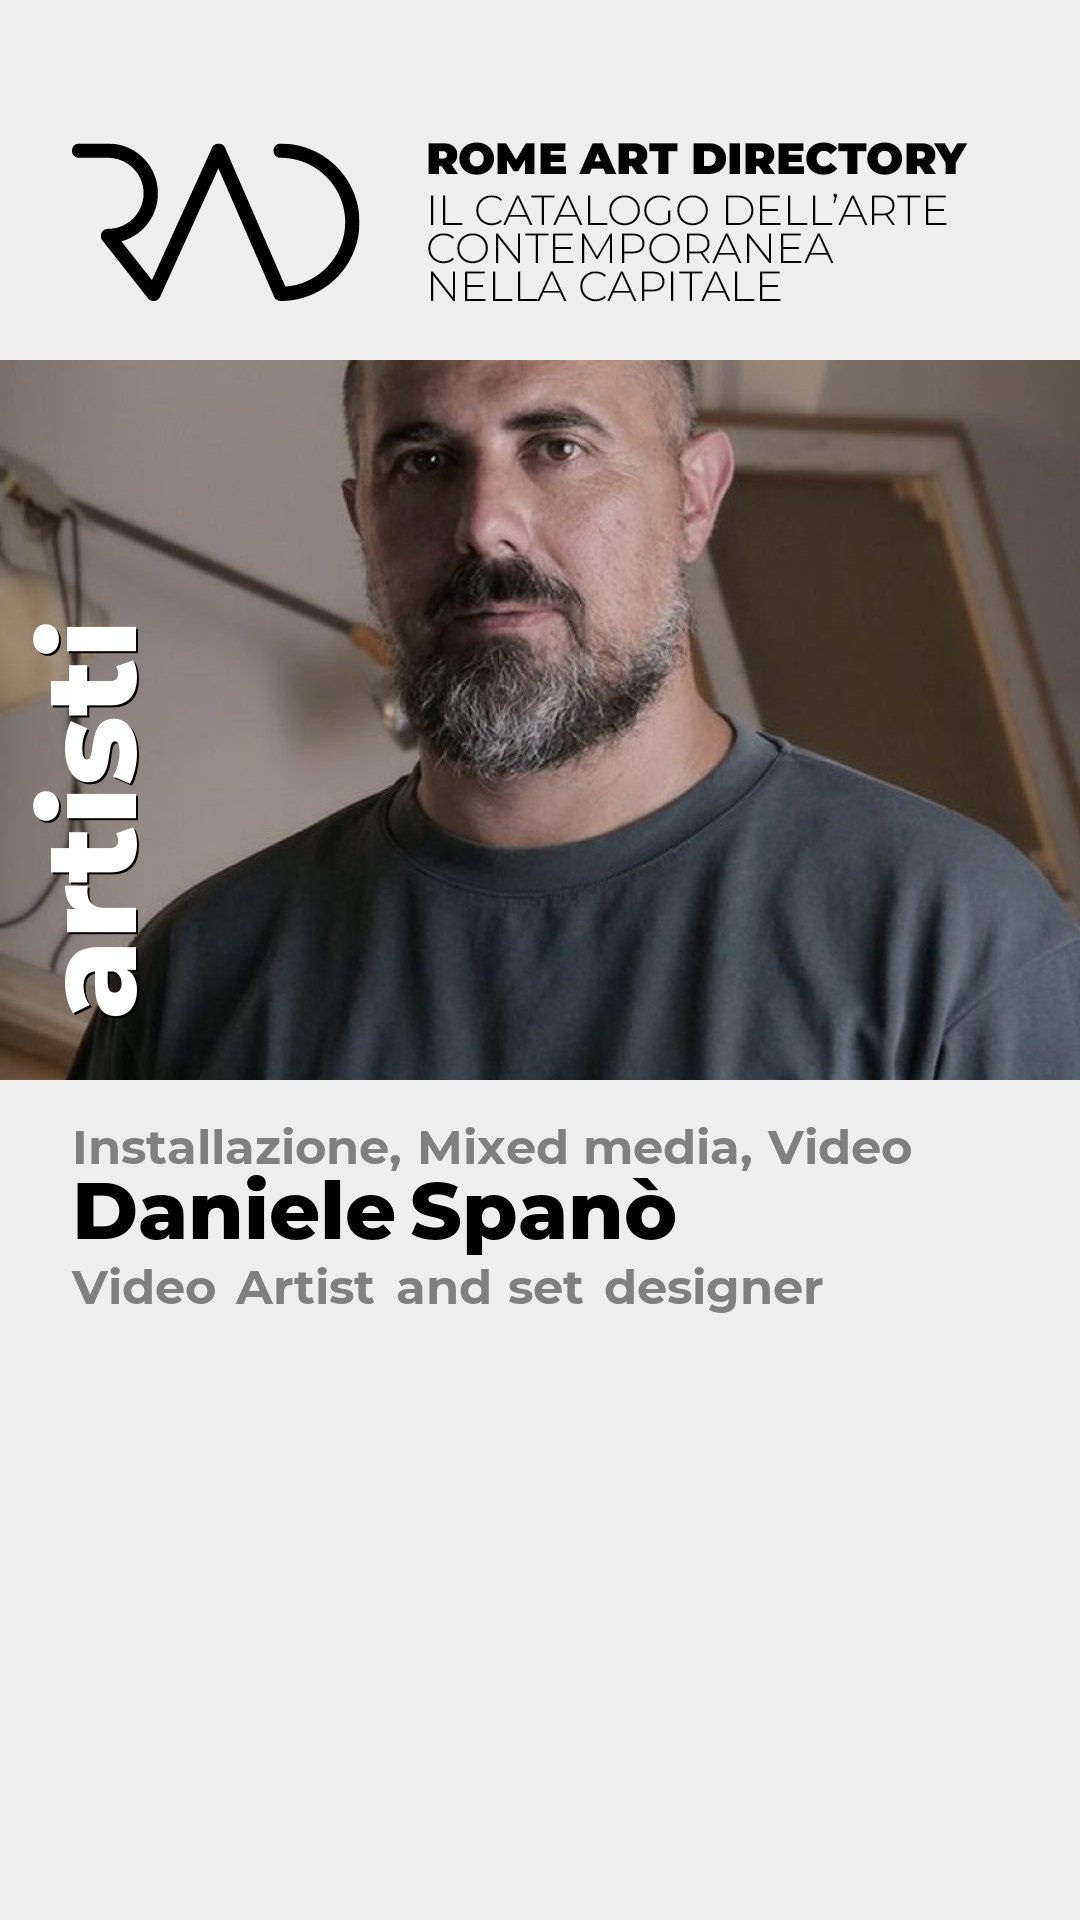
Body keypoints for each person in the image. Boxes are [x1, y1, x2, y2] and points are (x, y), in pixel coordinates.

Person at [71, 359, 1080, 1079]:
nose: (484, 525)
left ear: (695, 497)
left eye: (557, 446)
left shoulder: (955, 942)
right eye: (422, 461)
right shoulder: (195, 979)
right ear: (361, 519)